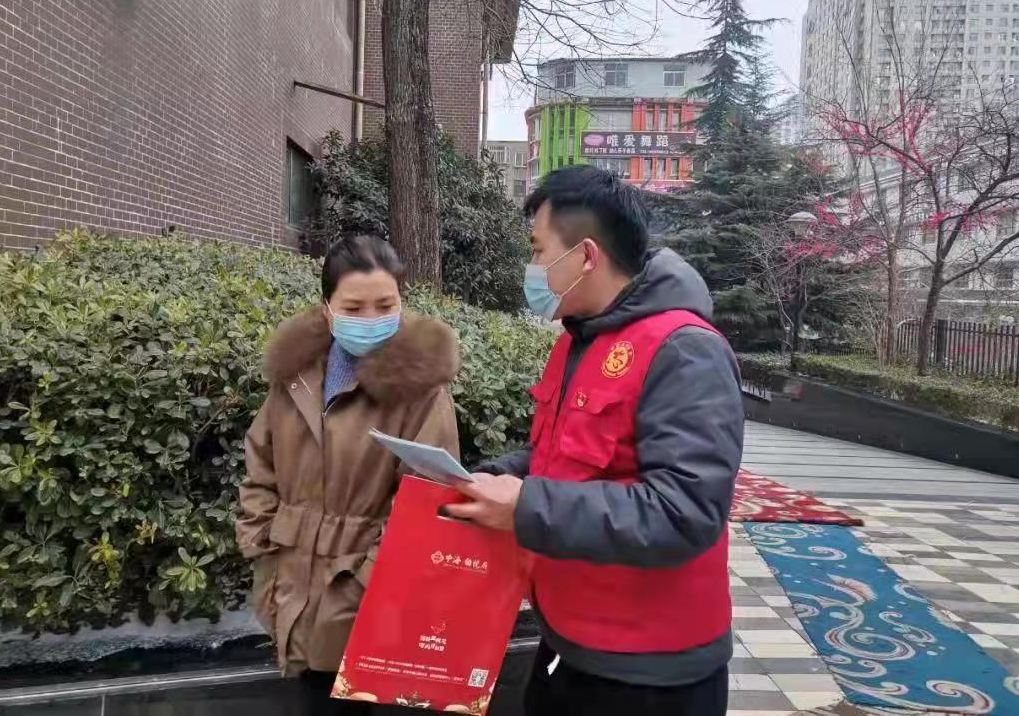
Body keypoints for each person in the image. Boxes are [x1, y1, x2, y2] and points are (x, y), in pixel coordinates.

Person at [446, 166, 743, 716]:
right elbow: (562, 458)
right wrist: (498, 476)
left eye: (538, 250)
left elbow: (685, 511)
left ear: (586, 256)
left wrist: (527, 505)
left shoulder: (684, 350)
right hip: (568, 641)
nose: (532, 267)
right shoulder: (579, 340)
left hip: (648, 673)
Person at [236, 235, 460, 714]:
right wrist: (261, 543)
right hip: (291, 584)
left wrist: (364, 585)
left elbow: (427, 503)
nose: (370, 319)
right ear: (327, 309)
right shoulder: (297, 375)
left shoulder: (420, 391)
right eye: (354, 307)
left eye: (385, 305)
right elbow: (261, 462)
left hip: (366, 598)